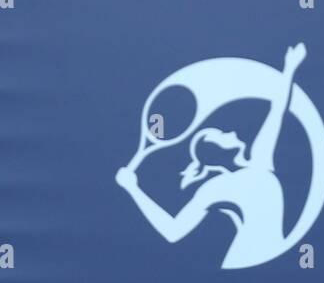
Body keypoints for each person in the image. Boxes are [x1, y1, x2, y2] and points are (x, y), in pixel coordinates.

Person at [116, 44, 305, 269]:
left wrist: (289, 68)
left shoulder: (260, 161)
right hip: (243, 263)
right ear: (216, 153)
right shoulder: (216, 188)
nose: (231, 133)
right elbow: (173, 232)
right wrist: (133, 189)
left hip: (268, 257)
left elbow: (277, 109)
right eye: (222, 136)